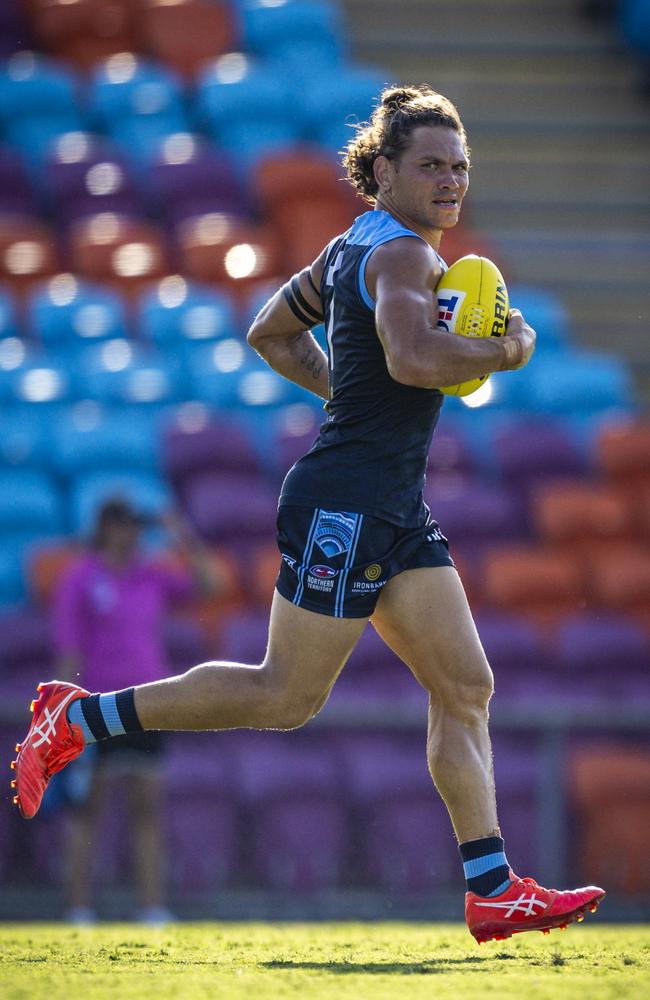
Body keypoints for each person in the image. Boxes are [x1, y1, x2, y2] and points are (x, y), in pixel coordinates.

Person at [12, 85, 604, 943]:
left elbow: (269, 332)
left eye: (460, 165)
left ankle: (491, 887)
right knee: (285, 695)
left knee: (465, 685)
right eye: (431, 164)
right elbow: (412, 357)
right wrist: (507, 349)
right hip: (349, 502)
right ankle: (76, 718)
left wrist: (347, 393)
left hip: (389, 501)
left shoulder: (347, 248)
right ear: (385, 171)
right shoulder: (403, 255)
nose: (450, 180)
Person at [49, 498, 220, 925]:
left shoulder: (152, 573)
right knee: (87, 810)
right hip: (97, 706)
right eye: (122, 524)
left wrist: (181, 533)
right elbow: (69, 648)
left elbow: (211, 586)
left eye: (135, 525)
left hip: (148, 705)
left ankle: (151, 907)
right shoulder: (81, 579)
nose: (131, 533)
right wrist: (61, 713)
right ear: (105, 527)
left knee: (148, 809)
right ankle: (78, 908)